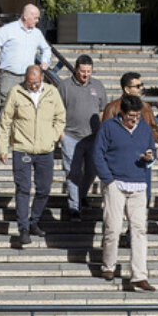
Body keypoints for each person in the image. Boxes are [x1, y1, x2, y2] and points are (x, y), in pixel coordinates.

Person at [0, 65, 67, 248]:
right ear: (25, 79)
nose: (33, 86)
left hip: (45, 150)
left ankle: (34, 220)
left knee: (44, 189)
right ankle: (23, 228)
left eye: (36, 83)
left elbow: (60, 116)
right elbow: (5, 122)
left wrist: (53, 135)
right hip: (22, 148)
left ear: (42, 78)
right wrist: (3, 148)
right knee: (23, 188)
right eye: (30, 83)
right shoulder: (16, 92)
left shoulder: (51, 92)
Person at [92, 94, 157, 292]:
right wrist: (108, 180)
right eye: (131, 116)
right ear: (122, 113)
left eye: (137, 116)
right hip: (115, 182)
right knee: (113, 226)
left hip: (138, 182)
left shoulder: (144, 128)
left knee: (139, 229)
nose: (134, 119)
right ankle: (108, 265)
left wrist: (149, 158)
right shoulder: (109, 127)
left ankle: (139, 276)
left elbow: (152, 151)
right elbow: (98, 154)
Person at [49, 54, 111, 218]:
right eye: (83, 71)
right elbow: (56, 110)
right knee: (73, 172)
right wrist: (61, 133)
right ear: (76, 69)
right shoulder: (64, 86)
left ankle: (81, 195)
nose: (85, 75)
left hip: (93, 137)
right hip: (70, 136)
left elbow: (103, 110)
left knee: (91, 171)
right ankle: (74, 207)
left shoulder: (97, 86)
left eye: (89, 71)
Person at [0, 4, 51, 104]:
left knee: (25, 108)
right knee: (6, 107)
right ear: (25, 16)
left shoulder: (37, 33)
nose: (37, 21)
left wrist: (45, 61)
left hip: (27, 78)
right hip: (9, 76)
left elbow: (46, 48)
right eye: (35, 18)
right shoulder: (9, 29)